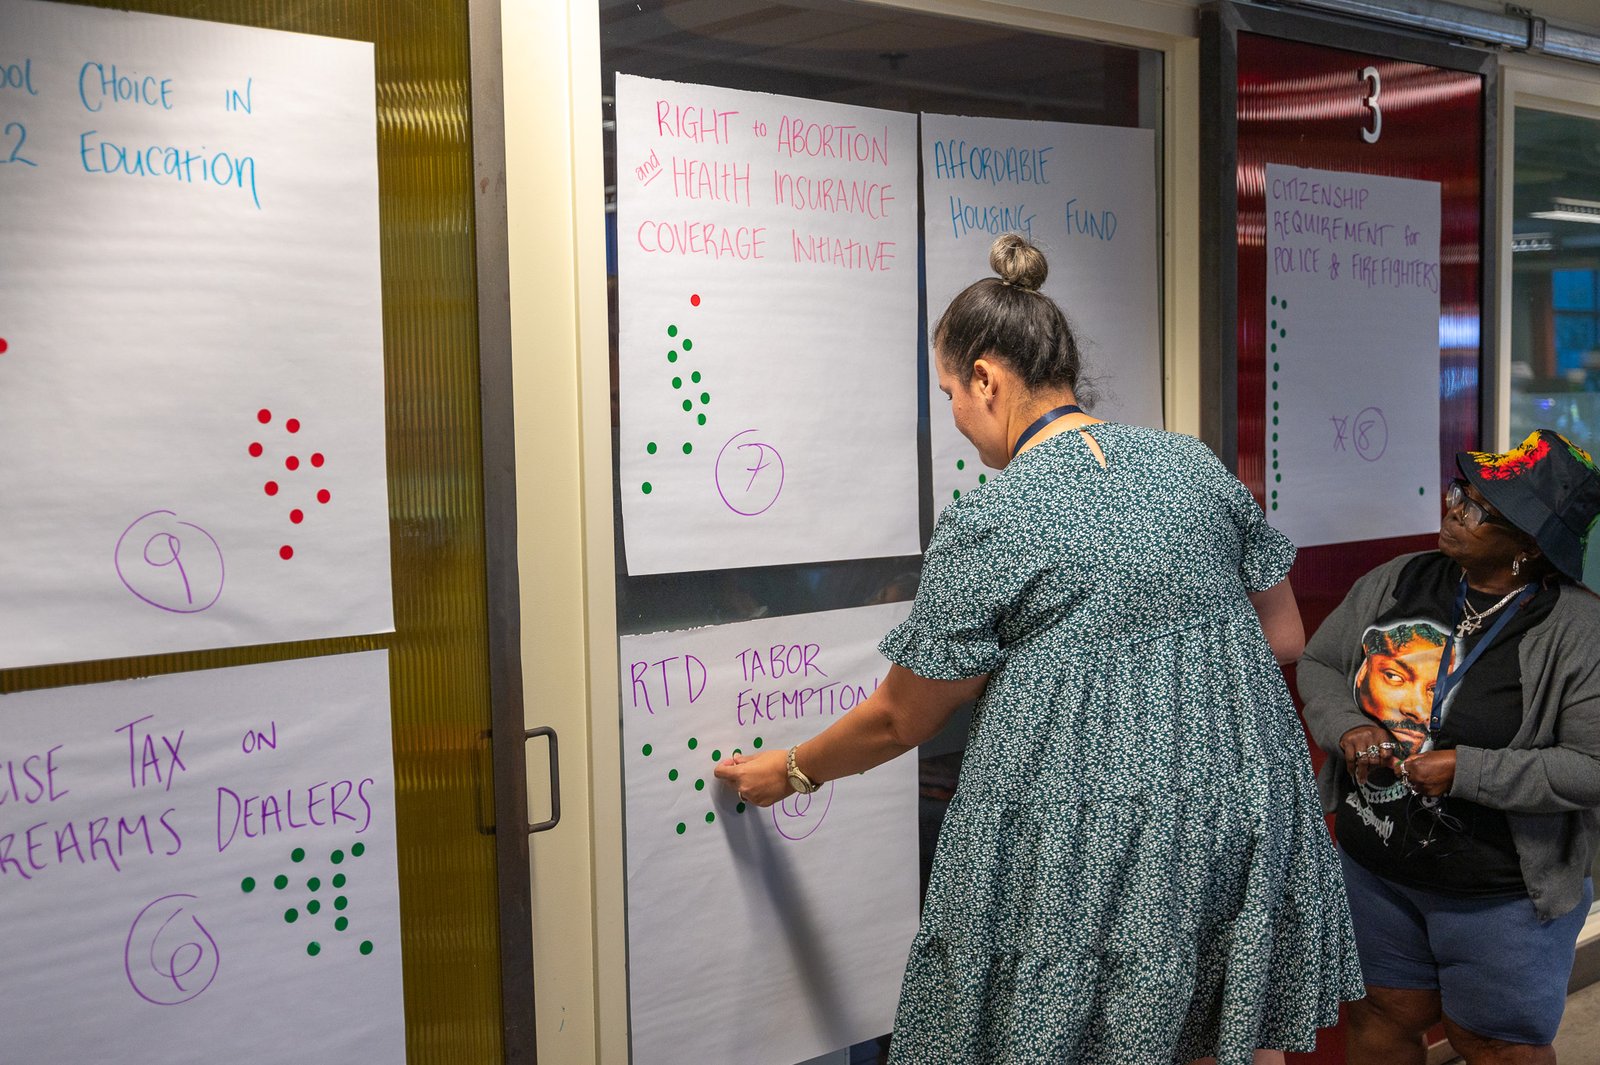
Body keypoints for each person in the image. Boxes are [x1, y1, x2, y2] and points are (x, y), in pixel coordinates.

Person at [716, 233, 1363, 1065]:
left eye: (950, 391)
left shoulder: (996, 518)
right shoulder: (1192, 466)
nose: (954, 413)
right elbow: (1284, 633)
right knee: (1229, 1030)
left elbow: (898, 719)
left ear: (987, 378)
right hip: (1243, 802)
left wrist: (792, 770)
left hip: (1096, 834)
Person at [1298, 429, 1600, 1065]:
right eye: (1461, 490)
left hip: (1500, 891)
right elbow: (1322, 664)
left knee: (1492, 1042)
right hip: (1377, 867)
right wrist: (1348, 727)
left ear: (1528, 545)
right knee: (1383, 1012)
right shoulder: (1400, 579)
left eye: (1478, 508)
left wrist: (1469, 770)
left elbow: (1592, 766)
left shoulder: (1578, 630)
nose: (1453, 507)